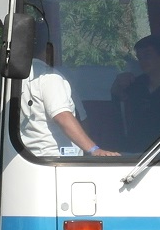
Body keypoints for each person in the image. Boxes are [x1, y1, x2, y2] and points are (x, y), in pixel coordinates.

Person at [20, 24, 120, 157]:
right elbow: (62, 116)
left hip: (30, 156)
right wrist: (94, 149)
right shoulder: (50, 77)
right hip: (57, 160)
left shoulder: (19, 77)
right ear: (50, 48)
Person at [111, 35, 160, 152]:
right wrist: (117, 83)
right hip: (135, 152)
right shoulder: (135, 84)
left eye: (147, 56)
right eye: (139, 57)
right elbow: (118, 97)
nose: (143, 61)